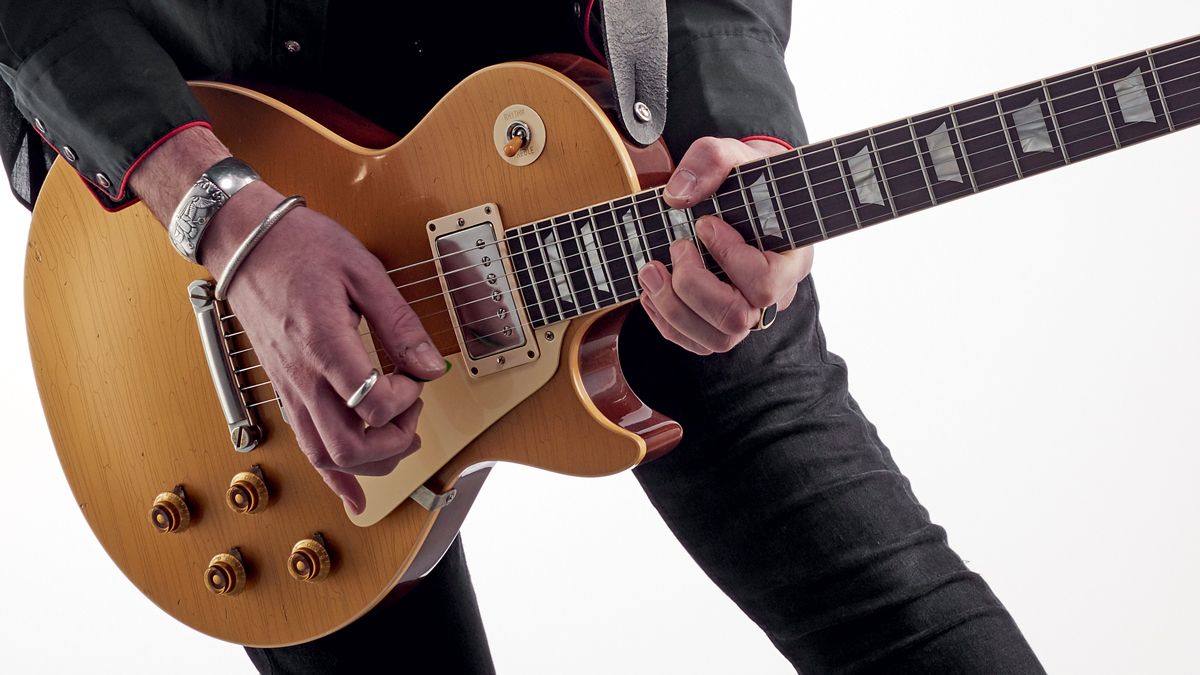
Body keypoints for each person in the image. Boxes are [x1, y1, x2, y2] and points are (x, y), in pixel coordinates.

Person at [0, 1, 1046, 672]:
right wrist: (229, 224)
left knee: (900, 624)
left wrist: (755, 148)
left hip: (607, 188)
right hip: (211, 203)